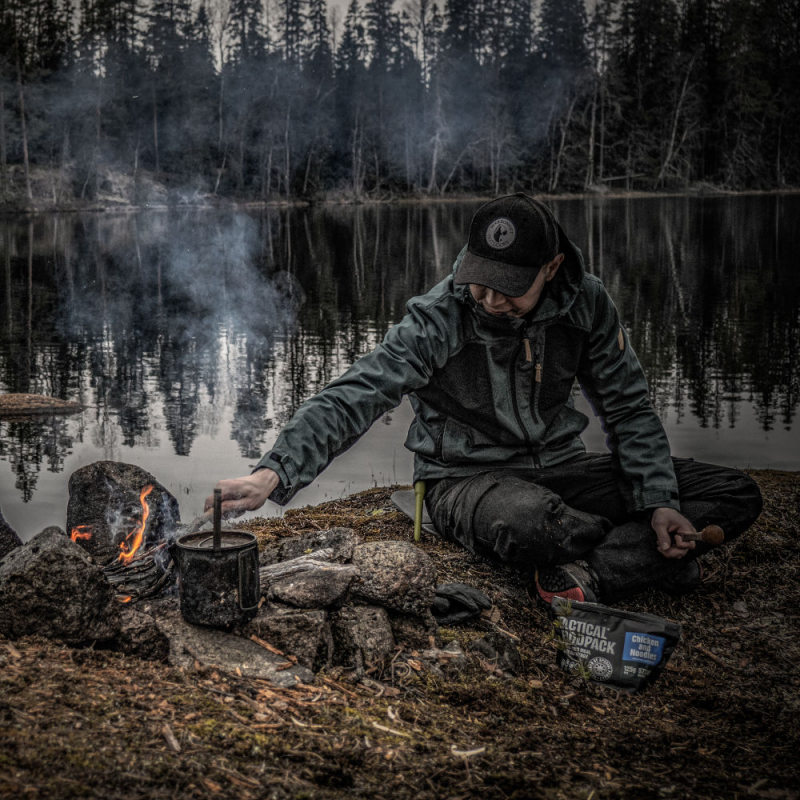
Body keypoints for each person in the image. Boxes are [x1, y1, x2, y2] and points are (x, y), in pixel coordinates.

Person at [208, 194, 762, 605]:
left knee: (733, 494)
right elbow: (355, 394)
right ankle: (645, 561)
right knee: (534, 523)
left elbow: (629, 407)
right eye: (481, 281)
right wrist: (272, 474)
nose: (491, 299)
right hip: (464, 481)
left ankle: (589, 572)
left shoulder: (586, 304)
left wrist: (659, 497)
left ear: (551, 268)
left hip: (563, 467)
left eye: (509, 286)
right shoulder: (439, 317)